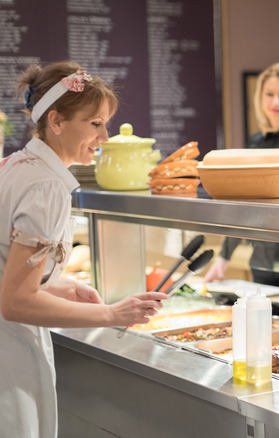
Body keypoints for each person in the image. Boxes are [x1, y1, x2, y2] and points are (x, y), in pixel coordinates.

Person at [0, 61, 168, 438]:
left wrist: (50, 286)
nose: (104, 137)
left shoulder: (15, 165)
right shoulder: (45, 186)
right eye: (95, 124)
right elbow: (14, 302)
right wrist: (112, 313)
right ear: (56, 121)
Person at [203, 62, 279, 292]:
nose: (276, 102)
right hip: (261, 261)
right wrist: (224, 257)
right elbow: (245, 205)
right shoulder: (255, 143)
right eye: (269, 94)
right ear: (260, 98)